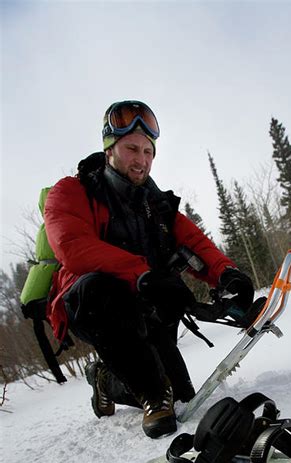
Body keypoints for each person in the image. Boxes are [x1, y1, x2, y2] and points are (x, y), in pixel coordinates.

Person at [44, 100, 255, 438]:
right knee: (101, 295)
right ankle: (150, 394)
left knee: (184, 395)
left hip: (149, 306)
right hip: (96, 307)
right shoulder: (70, 192)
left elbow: (196, 244)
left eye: (148, 151)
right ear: (110, 148)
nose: (141, 159)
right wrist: (143, 274)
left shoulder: (155, 205)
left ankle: (109, 379)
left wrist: (227, 274)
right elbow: (72, 247)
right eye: (131, 149)